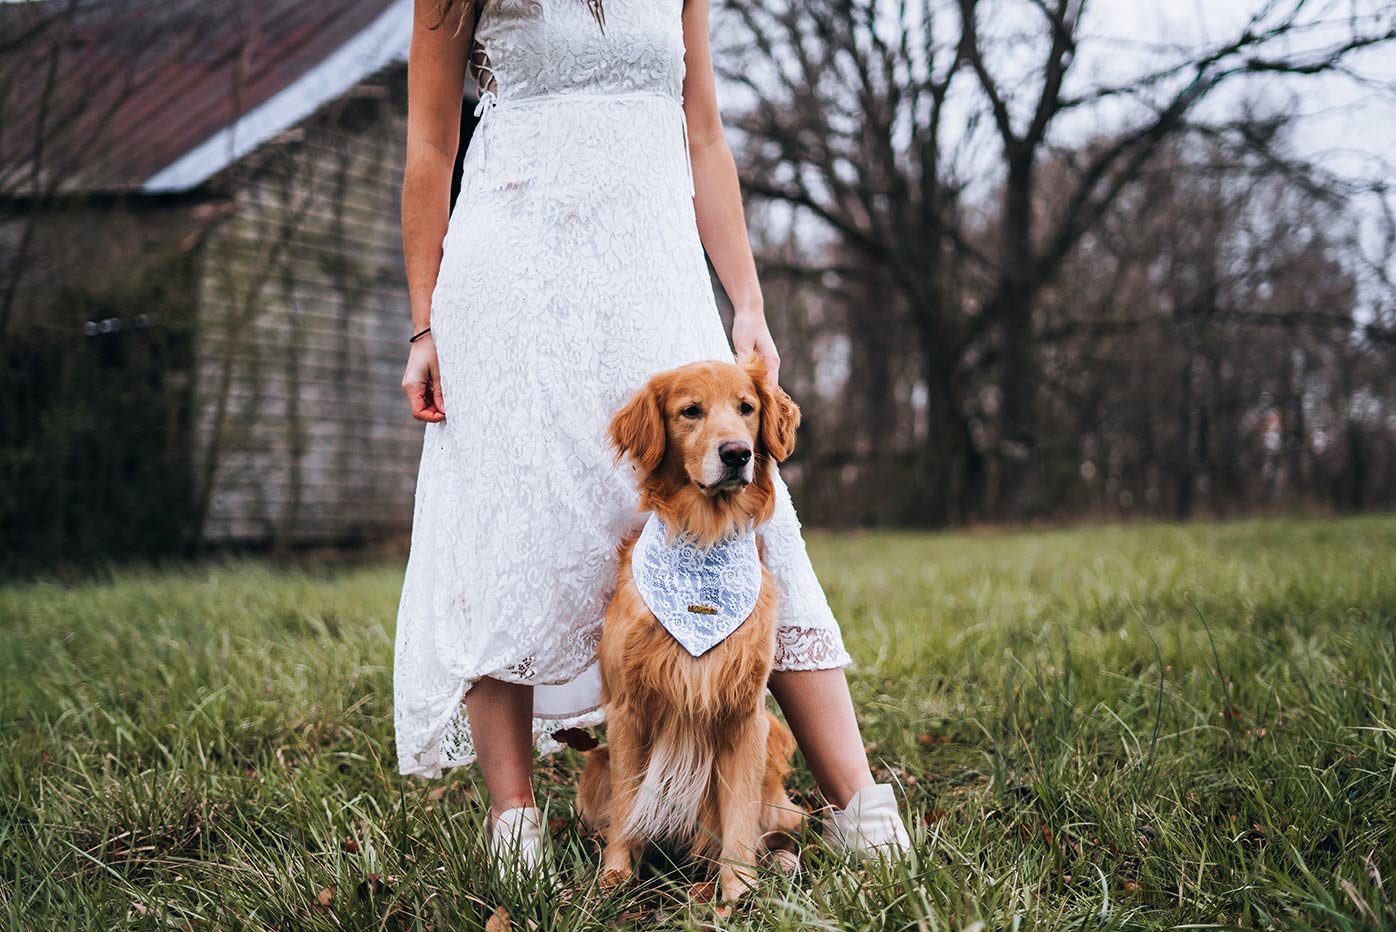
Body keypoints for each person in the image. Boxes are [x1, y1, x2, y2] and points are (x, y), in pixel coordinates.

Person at [393, 0, 912, 875]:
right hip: (515, 278)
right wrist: (423, 326)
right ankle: (514, 822)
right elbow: (430, 150)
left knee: (751, 523)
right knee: (511, 528)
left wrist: (745, 300)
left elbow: (703, 135)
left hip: (654, 270)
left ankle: (860, 806)